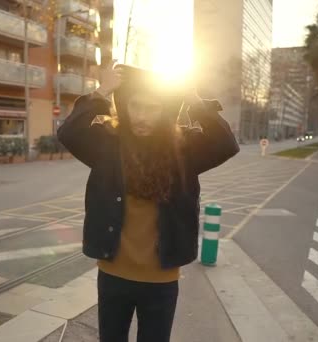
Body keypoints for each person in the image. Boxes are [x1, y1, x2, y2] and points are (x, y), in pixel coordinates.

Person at [57, 62, 239, 342]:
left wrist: (194, 101)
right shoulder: (107, 146)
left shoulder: (185, 151)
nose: (142, 116)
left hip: (161, 280)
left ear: (165, 111)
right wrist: (102, 92)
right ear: (125, 107)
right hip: (113, 274)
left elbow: (226, 143)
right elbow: (69, 133)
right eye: (135, 106)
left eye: (152, 108)